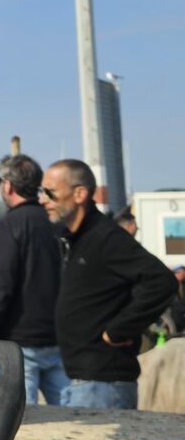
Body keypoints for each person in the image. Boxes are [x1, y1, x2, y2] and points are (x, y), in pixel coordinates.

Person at [39, 158, 177, 409]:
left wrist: (119, 330)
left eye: (50, 192)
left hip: (103, 383)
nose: (42, 199)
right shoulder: (73, 238)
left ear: (79, 193)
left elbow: (162, 281)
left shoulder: (105, 237)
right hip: (82, 380)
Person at [0, 154, 69, 405]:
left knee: (21, 422)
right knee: (71, 416)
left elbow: (0, 288)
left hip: (20, 345)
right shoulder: (57, 224)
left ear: (8, 186)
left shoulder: (8, 226)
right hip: (58, 338)